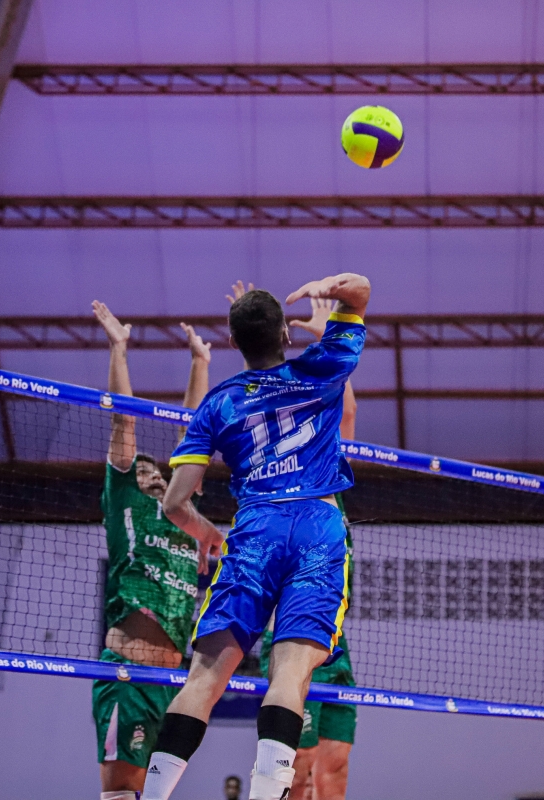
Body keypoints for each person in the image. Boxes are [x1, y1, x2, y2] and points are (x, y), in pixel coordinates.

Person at [142, 273, 371, 800]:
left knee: (205, 677)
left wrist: (206, 532)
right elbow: (360, 289)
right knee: (290, 675)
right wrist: (331, 291)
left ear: (232, 342)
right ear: (286, 335)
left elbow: (174, 503)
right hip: (317, 527)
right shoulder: (320, 368)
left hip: (256, 529)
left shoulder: (218, 403)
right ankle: (269, 793)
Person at [232, 283, 359, 800]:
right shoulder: (269, 488)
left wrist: (326, 335)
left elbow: (344, 410)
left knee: (334, 770)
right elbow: (255, 402)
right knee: (298, 766)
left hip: (334, 637)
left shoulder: (329, 474)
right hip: (291, 628)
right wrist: (254, 333)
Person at [90, 300, 213, 800]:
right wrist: (118, 350)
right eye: (143, 471)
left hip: (173, 680)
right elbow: (125, 423)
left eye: (160, 472)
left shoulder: (184, 515)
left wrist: (200, 362)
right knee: (122, 792)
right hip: (129, 673)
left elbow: (192, 437)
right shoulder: (127, 504)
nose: (155, 473)